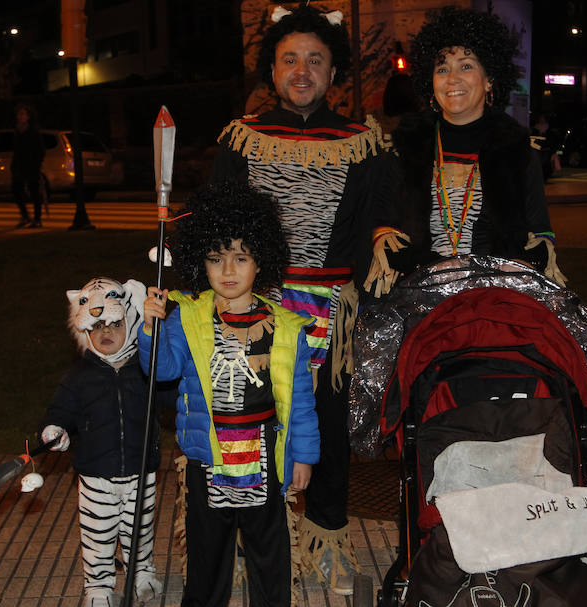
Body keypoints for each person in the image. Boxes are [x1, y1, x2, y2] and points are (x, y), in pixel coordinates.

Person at [209, 3, 404, 594]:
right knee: (249, 423)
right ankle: (257, 541)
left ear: (334, 72)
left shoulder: (364, 143)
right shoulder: (241, 139)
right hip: (255, 306)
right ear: (272, 69)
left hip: (332, 314)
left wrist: (383, 259)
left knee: (329, 426)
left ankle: (327, 540)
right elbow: (216, 222)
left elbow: (381, 221)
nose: (301, 70)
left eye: (315, 60)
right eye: (290, 59)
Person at [139, 182, 320, 607]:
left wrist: (305, 456)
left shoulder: (286, 327)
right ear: (200, 261)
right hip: (207, 458)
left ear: (261, 261)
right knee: (208, 552)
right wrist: (151, 328)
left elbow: (300, 400)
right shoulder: (185, 316)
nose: (228, 271)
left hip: (265, 454)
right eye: (216, 259)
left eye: (241, 258)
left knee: (269, 549)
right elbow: (161, 372)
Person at [390, 7, 566, 287]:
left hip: (494, 299)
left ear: (489, 80)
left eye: (466, 66)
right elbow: (389, 227)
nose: (452, 79)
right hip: (420, 297)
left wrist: (511, 271)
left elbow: (540, 234)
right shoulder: (406, 147)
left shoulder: (517, 149)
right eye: (442, 68)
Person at [39, 277, 162, 607]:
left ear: (132, 321)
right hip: (95, 474)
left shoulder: (146, 369)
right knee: (97, 535)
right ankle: (98, 586)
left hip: (140, 469)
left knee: (139, 529)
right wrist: (55, 430)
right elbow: (60, 410)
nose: (106, 332)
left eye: (115, 323)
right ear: (85, 332)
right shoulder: (79, 375)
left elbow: (172, 395)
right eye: (97, 327)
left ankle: (141, 573)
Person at [11, 103, 46, 228]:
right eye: (18, 114)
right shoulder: (17, 131)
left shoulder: (33, 131)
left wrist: (36, 164)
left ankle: (37, 219)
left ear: (28, 116)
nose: (20, 116)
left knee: (34, 192)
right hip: (20, 165)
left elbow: (40, 150)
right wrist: (14, 165)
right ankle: (25, 215)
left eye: (22, 114)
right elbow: (17, 150)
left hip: (31, 166)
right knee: (16, 189)